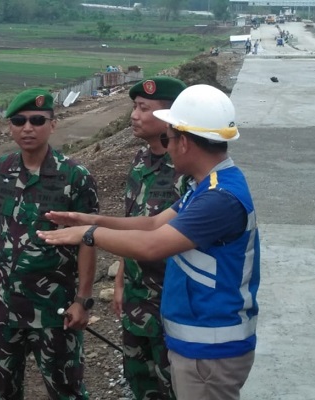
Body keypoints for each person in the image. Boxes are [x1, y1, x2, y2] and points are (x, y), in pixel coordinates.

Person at [38, 84, 260, 400]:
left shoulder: (218, 198)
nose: (166, 148)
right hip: (198, 341)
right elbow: (152, 223)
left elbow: (151, 244)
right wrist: (92, 220)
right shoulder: (208, 186)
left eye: (168, 138)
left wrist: (88, 236)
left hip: (210, 348)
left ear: (184, 142)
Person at [0, 88, 100, 400]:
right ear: (10, 126)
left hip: (55, 309)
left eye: (37, 120)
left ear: (53, 124)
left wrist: (83, 300)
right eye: (19, 120)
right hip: (4, 306)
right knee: (1, 390)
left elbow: (89, 242)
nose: (27, 127)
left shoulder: (74, 177)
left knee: (67, 390)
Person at [114, 76, 187, 400]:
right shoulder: (140, 161)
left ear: (169, 116)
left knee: (175, 386)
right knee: (139, 382)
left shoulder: (186, 169)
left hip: (171, 304)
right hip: (135, 298)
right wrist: (119, 278)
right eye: (134, 107)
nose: (134, 115)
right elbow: (130, 225)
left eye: (143, 108)